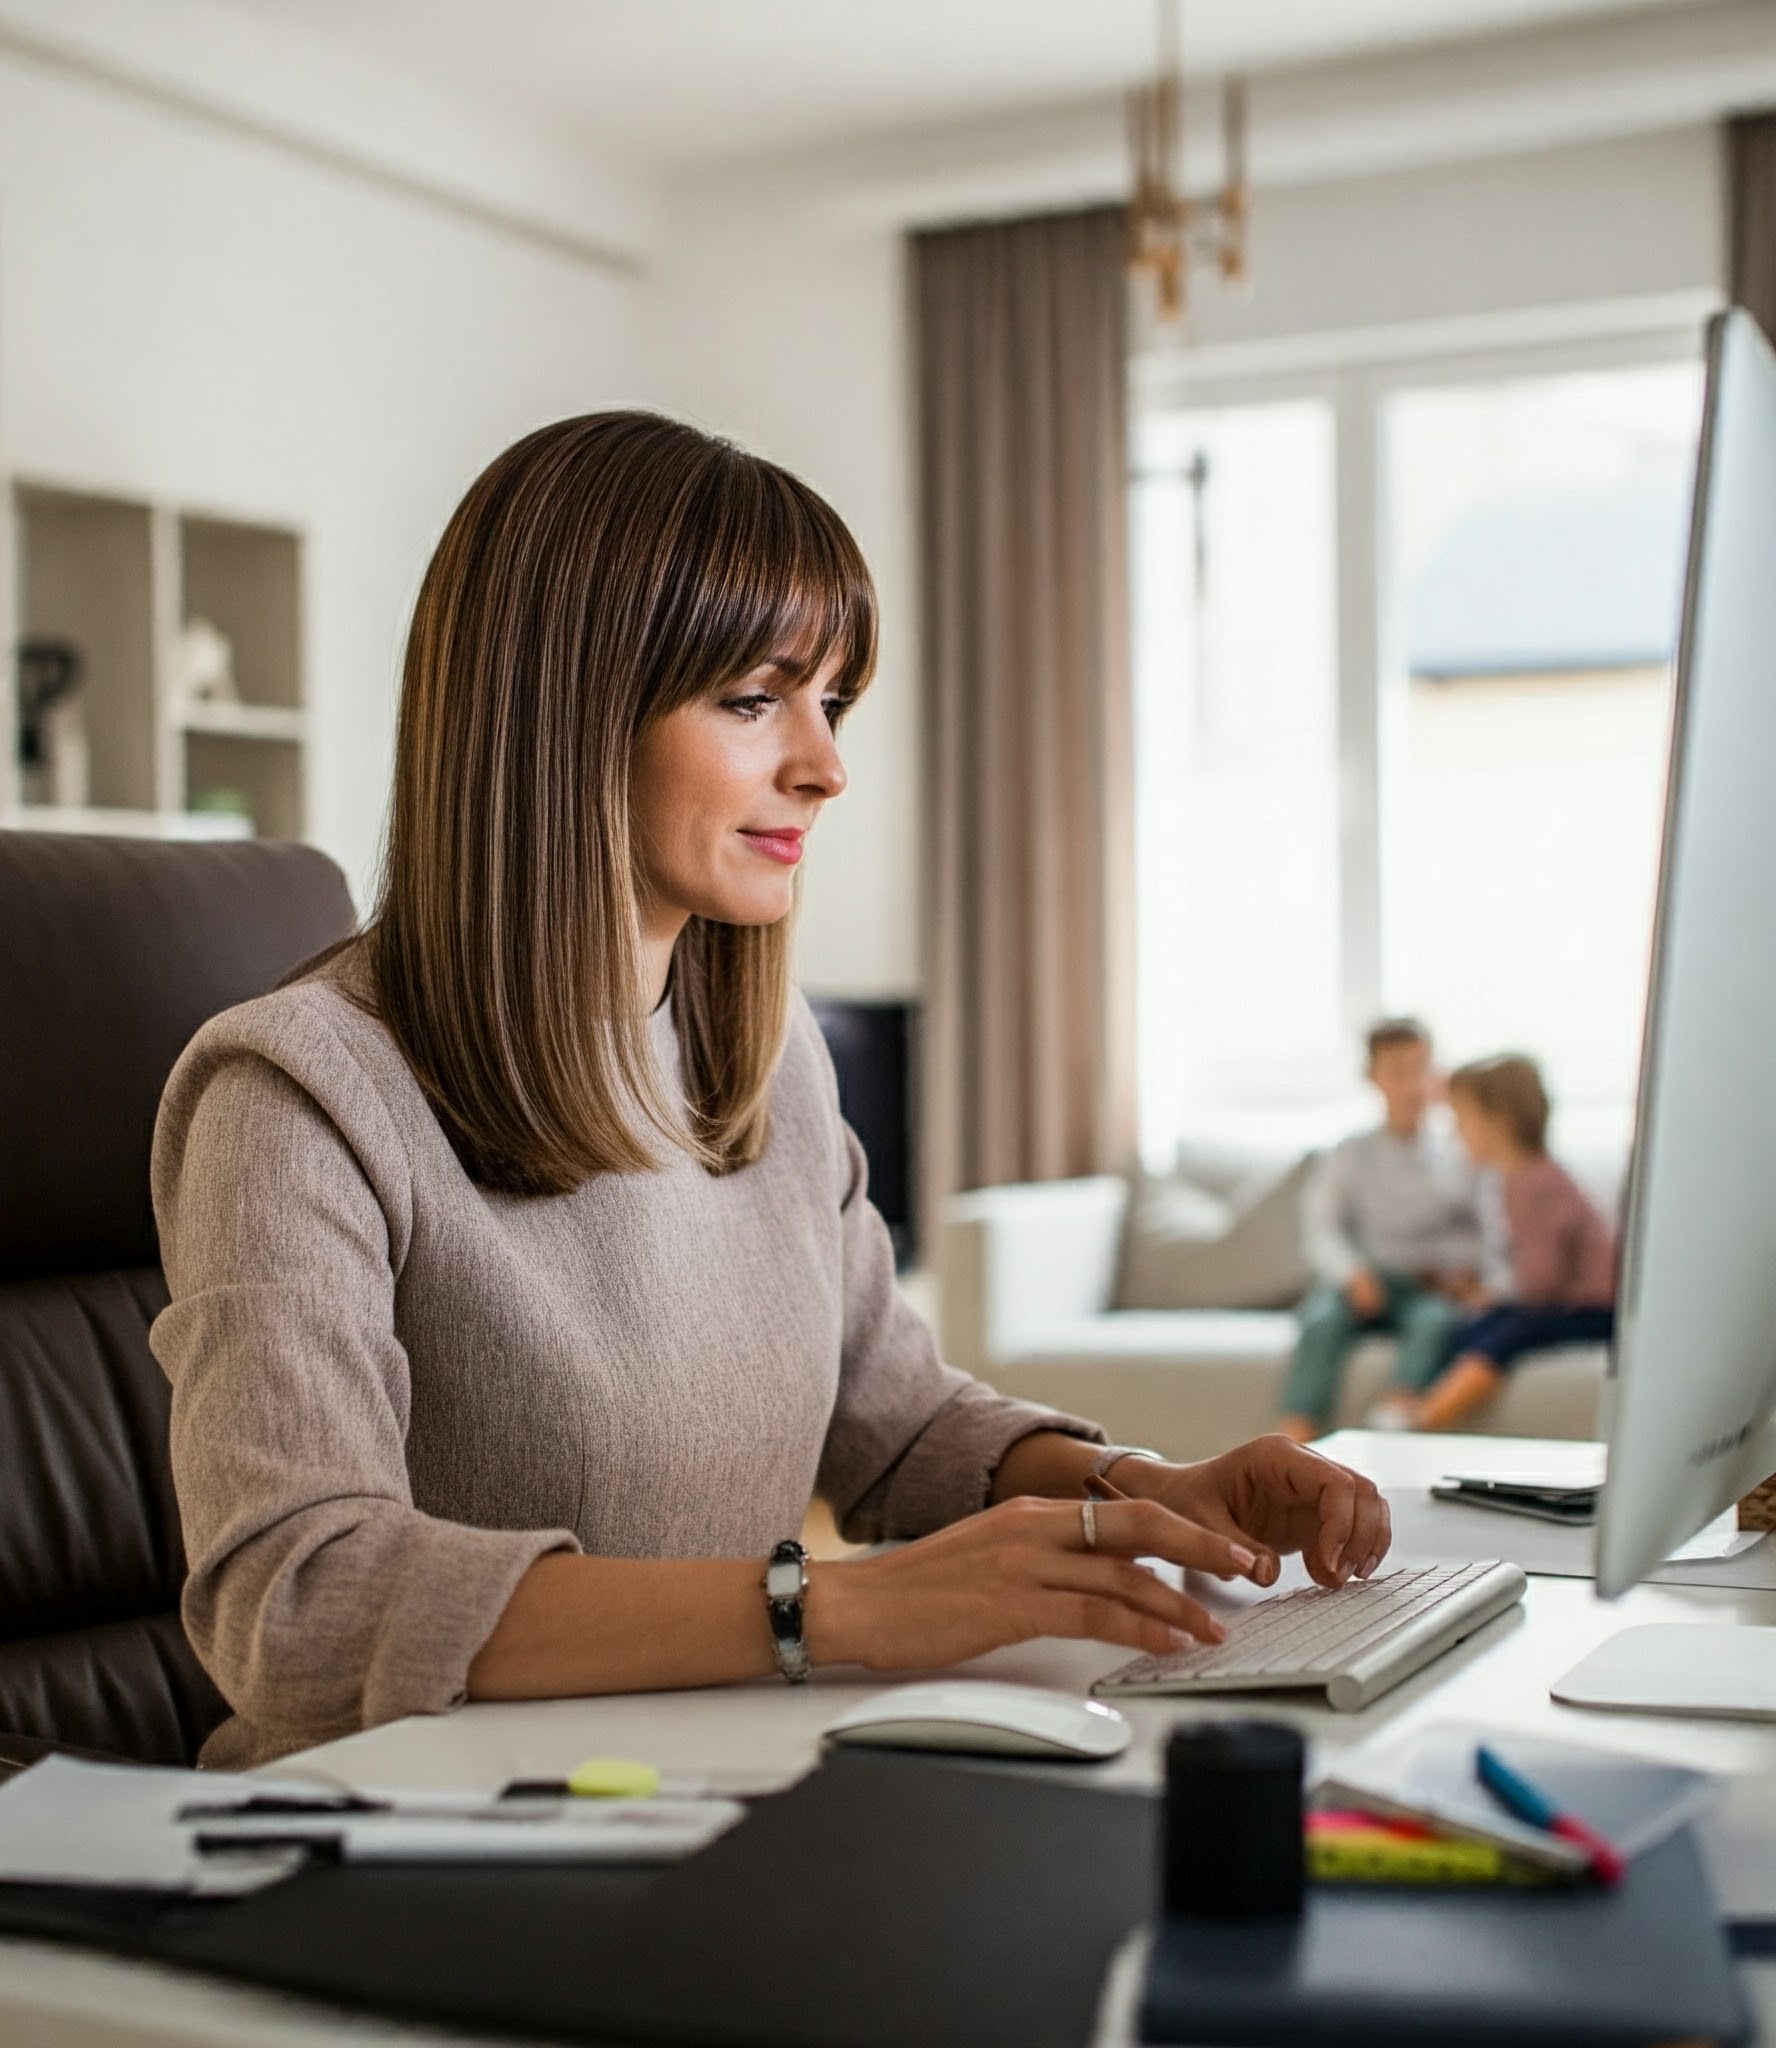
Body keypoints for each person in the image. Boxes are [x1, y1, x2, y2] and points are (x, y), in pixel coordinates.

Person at [150, 411, 1391, 1768]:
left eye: (832, 701)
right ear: (561, 715)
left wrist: (1140, 1491)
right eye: (754, 699)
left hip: (708, 1781)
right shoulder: (300, 1095)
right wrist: (829, 1607)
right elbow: (300, 1602)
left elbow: (897, 1420)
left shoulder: (766, 1051)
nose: (825, 764)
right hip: (409, 1834)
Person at [1378, 1054, 1617, 1433]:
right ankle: (1417, 1404)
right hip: (1558, 1301)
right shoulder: (1510, 1178)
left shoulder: (1535, 1184)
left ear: (1497, 1122)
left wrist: (1494, 1294)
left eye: (1461, 1121)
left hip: (1593, 1308)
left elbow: (1541, 1281)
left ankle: (1425, 1417)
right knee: (1470, 1327)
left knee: (1510, 1330)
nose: (1455, 1133)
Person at [1276, 1018, 1480, 1443]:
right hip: (1364, 1282)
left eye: (1421, 1069)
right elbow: (1322, 1229)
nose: (1412, 1086)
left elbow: (1477, 1230)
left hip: (1425, 1287)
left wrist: (1459, 1272)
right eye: (1398, 1072)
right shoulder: (1350, 1153)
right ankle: (1294, 1439)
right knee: (1319, 1322)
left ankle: (1394, 1414)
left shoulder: (1458, 1152)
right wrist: (1352, 1273)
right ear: (1373, 1078)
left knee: (1437, 1321)